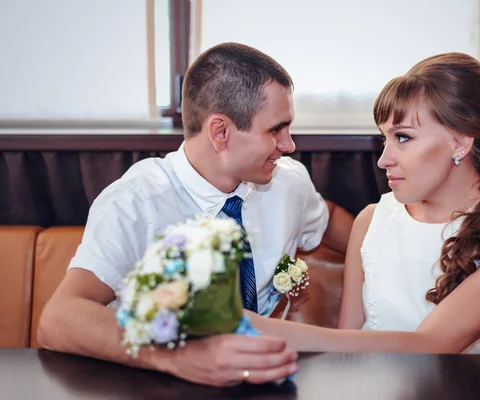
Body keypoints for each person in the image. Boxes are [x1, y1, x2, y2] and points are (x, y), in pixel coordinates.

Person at [37, 42, 352, 387]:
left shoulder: (288, 184)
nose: (289, 144)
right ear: (220, 132)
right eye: (275, 130)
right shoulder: (135, 201)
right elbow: (58, 319)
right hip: (151, 386)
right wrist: (179, 357)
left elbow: (330, 220)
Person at [249, 52, 480, 355]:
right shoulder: (369, 221)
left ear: (459, 142)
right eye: (384, 139)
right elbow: (345, 349)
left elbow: (431, 345)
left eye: (403, 137)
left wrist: (253, 327)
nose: (383, 159)